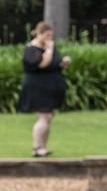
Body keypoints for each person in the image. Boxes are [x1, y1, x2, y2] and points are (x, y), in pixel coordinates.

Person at [18, 20, 70, 156]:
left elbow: (54, 64)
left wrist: (63, 62)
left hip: (50, 87)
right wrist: (49, 49)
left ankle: (42, 147)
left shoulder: (47, 47)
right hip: (37, 88)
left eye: (50, 36)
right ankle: (37, 147)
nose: (49, 39)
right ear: (39, 34)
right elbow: (43, 64)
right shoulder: (32, 49)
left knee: (48, 117)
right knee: (43, 117)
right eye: (47, 36)